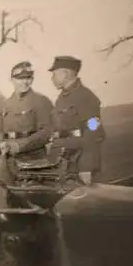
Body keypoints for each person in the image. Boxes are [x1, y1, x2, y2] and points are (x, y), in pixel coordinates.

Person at [48, 55, 106, 185]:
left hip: (80, 164)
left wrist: (86, 168)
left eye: (55, 74)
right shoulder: (62, 98)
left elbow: (94, 133)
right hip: (65, 162)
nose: (52, 78)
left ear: (66, 73)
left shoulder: (86, 97)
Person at [0, 61, 54, 184]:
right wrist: (0, 144)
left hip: (33, 161)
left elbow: (46, 132)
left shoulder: (41, 101)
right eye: (20, 79)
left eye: (29, 78)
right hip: (8, 160)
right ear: (12, 80)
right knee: (3, 194)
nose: (25, 82)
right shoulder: (5, 104)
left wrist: (20, 145)